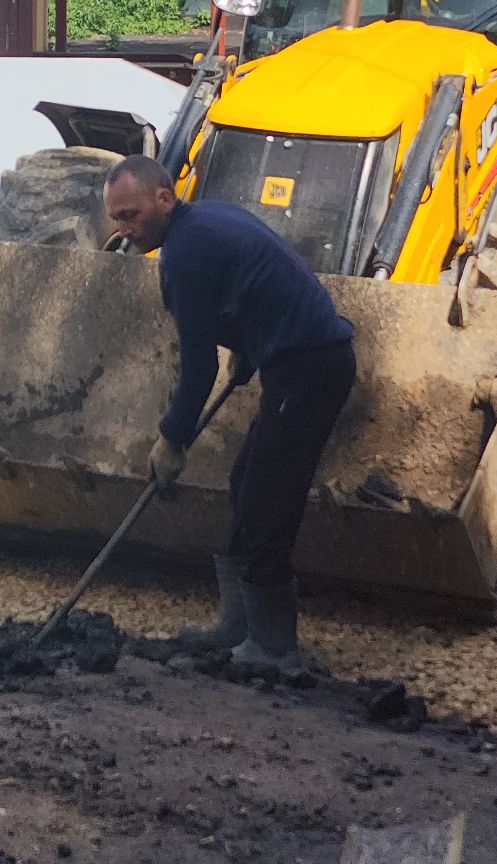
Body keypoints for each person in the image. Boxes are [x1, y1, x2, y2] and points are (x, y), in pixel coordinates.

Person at [102, 154, 356, 673]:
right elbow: (252, 289)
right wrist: (248, 347)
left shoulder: (185, 253)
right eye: (116, 220)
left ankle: (274, 647)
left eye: (130, 215)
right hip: (298, 358)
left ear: (164, 198)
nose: (125, 230)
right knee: (246, 481)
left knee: (268, 497)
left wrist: (171, 438)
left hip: (308, 365)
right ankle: (239, 625)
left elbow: (197, 365)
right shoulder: (207, 220)